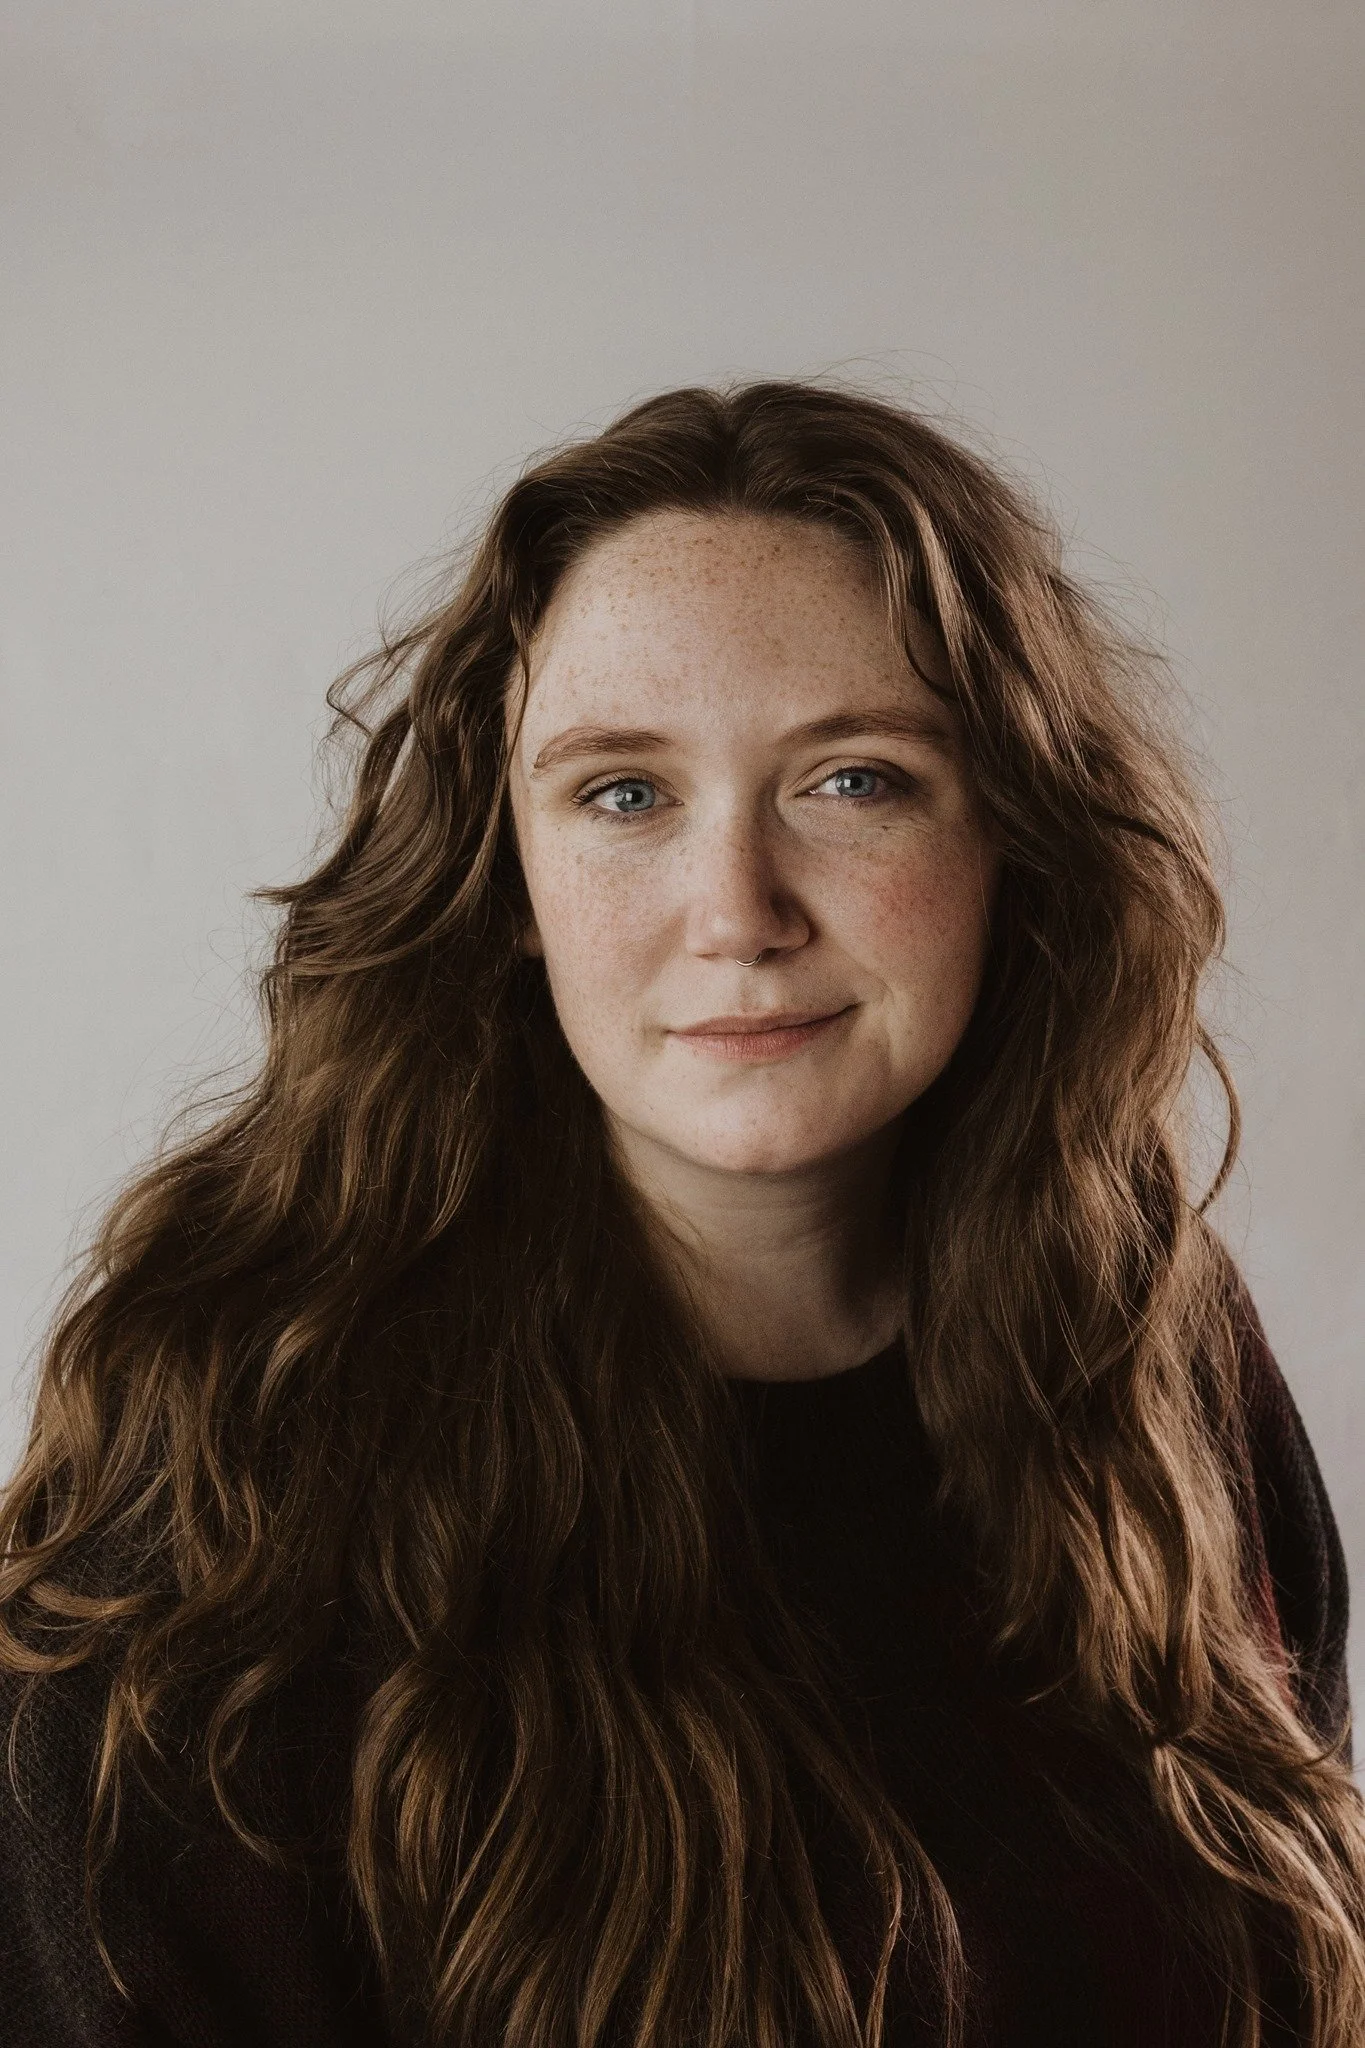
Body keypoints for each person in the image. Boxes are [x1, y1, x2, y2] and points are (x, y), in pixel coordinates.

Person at [1, 380, 1361, 2048]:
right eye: (624, 794)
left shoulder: (1149, 1346)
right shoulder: (224, 1505)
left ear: (1014, 837)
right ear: (507, 880)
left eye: (855, 781)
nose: (738, 911)